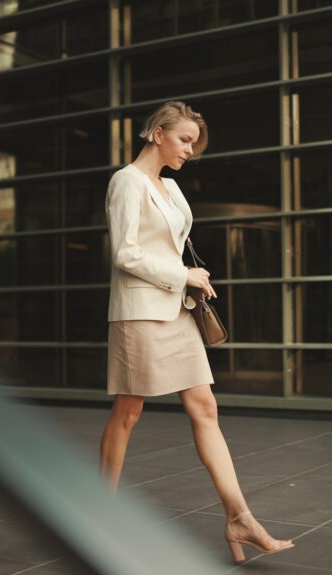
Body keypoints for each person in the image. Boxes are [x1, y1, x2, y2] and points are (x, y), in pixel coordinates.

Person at [99, 101, 294, 564]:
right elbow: (124, 254)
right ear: (157, 133)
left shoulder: (171, 188)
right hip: (140, 313)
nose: (191, 150)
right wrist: (182, 274)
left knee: (205, 406)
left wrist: (191, 275)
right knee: (128, 412)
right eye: (185, 140)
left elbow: (172, 246)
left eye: (194, 143)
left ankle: (239, 517)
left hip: (178, 311)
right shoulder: (126, 182)